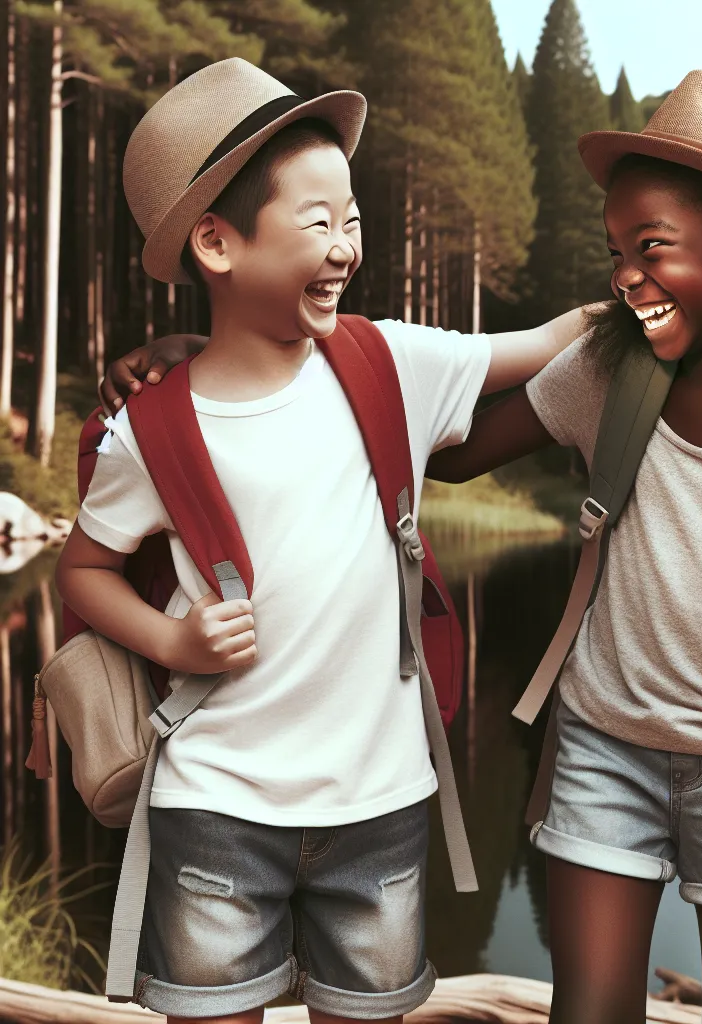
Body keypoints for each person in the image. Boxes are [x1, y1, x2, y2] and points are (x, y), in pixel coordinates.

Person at [99, 70, 702, 1024]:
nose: (621, 274)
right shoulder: (606, 372)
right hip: (598, 749)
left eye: (649, 247)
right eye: (618, 249)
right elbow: (442, 447)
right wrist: (214, 362)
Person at [58, 58, 598, 1024]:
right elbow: (86, 570)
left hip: (381, 802)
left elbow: (558, 340)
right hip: (212, 803)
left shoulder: (390, 360)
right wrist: (172, 641)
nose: (347, 246)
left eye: (352, 220)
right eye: (318, 222)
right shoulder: (155, 428)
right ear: (217, 245)